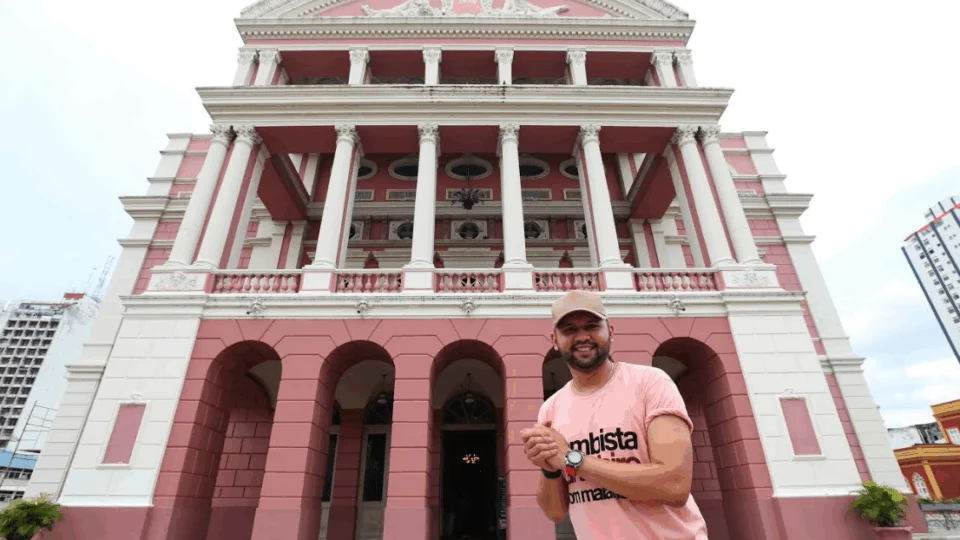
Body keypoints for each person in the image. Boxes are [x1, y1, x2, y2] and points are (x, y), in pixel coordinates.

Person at [520, 290, 709, 539]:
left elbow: (674, 485)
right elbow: (556, 512)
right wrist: (549, 469)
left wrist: (572, 459)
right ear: (554, 340)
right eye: (569, 330)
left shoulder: (650, 383)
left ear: (611, 330)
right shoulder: (552, 408)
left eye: (592, 326)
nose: (583, 337)